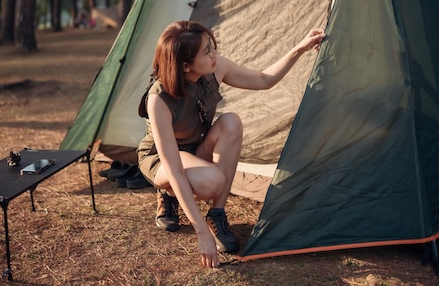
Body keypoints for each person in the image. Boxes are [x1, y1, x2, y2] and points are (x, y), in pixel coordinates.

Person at [137, 20, 325, 269]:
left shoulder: (216, 68)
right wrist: (201, 232)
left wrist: (299, 48)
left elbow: (264, 79)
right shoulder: (158, 99)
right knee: (211, 181)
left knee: (231, 122)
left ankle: (217, 214)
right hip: (162, 159)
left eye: (212, 47)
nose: (214, 54)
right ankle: (167, 193)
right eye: (207, 51)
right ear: (185, 66)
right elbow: (173, 167)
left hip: (196, 148)